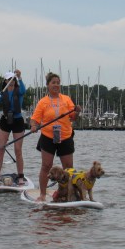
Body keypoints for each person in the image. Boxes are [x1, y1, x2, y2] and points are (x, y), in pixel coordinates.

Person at [30, 72, 80, 201]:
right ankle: (42, 194)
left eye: (58, 83)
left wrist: (77, 111)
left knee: (68, 168)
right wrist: (34, 126)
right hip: (48, 136)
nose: (56, 85)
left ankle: (69, 193)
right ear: (48, 85)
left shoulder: (66, 99)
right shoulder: (43, 102)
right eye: (53, 83)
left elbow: (73, 117)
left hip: (65, 136)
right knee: (46, 166)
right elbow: (34, 119)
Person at [0, 70, 26, 184]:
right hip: (5, 121)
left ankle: (20, 176)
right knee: (1, 149)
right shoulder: (2, 93)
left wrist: (20, 77)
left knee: (18, 150)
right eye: (9, 79)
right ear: (6, 81)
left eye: (13, 79)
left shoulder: (19, 90)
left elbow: (23, 90)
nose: (11, 81)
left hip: (17, 121)